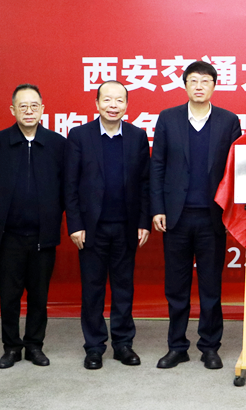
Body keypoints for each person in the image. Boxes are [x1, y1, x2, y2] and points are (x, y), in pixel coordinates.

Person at [150, 60, 242, 370]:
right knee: (176, 287)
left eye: (205, 81)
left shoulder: (228, 121)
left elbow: (235, 170)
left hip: (212, 218)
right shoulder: (168, 118)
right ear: (185, 85)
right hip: (175, 217)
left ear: (214, 85)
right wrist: (158, 208)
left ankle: (210, 347)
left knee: (210, 287)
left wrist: (232, 213)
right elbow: (157, 165)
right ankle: (177, 346)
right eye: (193, 80)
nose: (199, 86)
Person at [66, 81, 151, 370]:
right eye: (107, 100)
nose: (113, 105)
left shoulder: (137, 136)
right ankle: (94, 347)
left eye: (119, 100)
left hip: (126, 226)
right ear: (97, 103)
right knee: (92, 289)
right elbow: (70, 184)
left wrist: (144, 221)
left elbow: (145, 183)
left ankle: (123, 344)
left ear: (127, 105)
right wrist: (75, 224)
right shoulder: (80, 135)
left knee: (123, 287)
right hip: (91, 228)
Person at [0, 84, 66, 369]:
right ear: (12, 110)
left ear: (43, 109)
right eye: (23, 106)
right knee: (9, 295)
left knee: (39, 295)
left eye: (34, 106)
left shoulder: (57, 144)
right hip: (10, 234)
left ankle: (34, 345)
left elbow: (65, 186)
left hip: (44, 234)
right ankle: (11, 347)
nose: (29, 111)